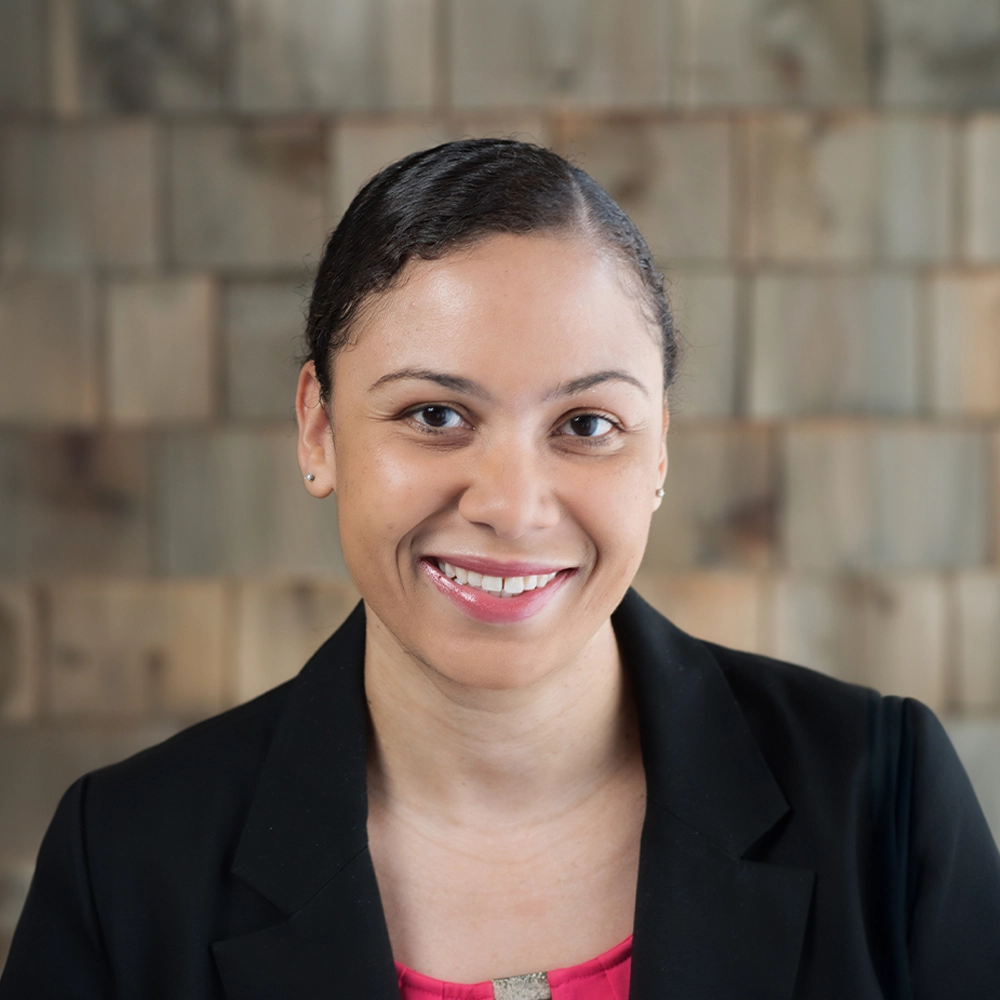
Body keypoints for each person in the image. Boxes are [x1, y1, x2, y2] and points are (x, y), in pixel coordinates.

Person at [1, 138, 998, 1000]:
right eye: (435, 415)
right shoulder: (125, 863)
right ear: (318, 428)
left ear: (657, 455)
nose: (513, 505)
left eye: (585, 424)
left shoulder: (881, 798)